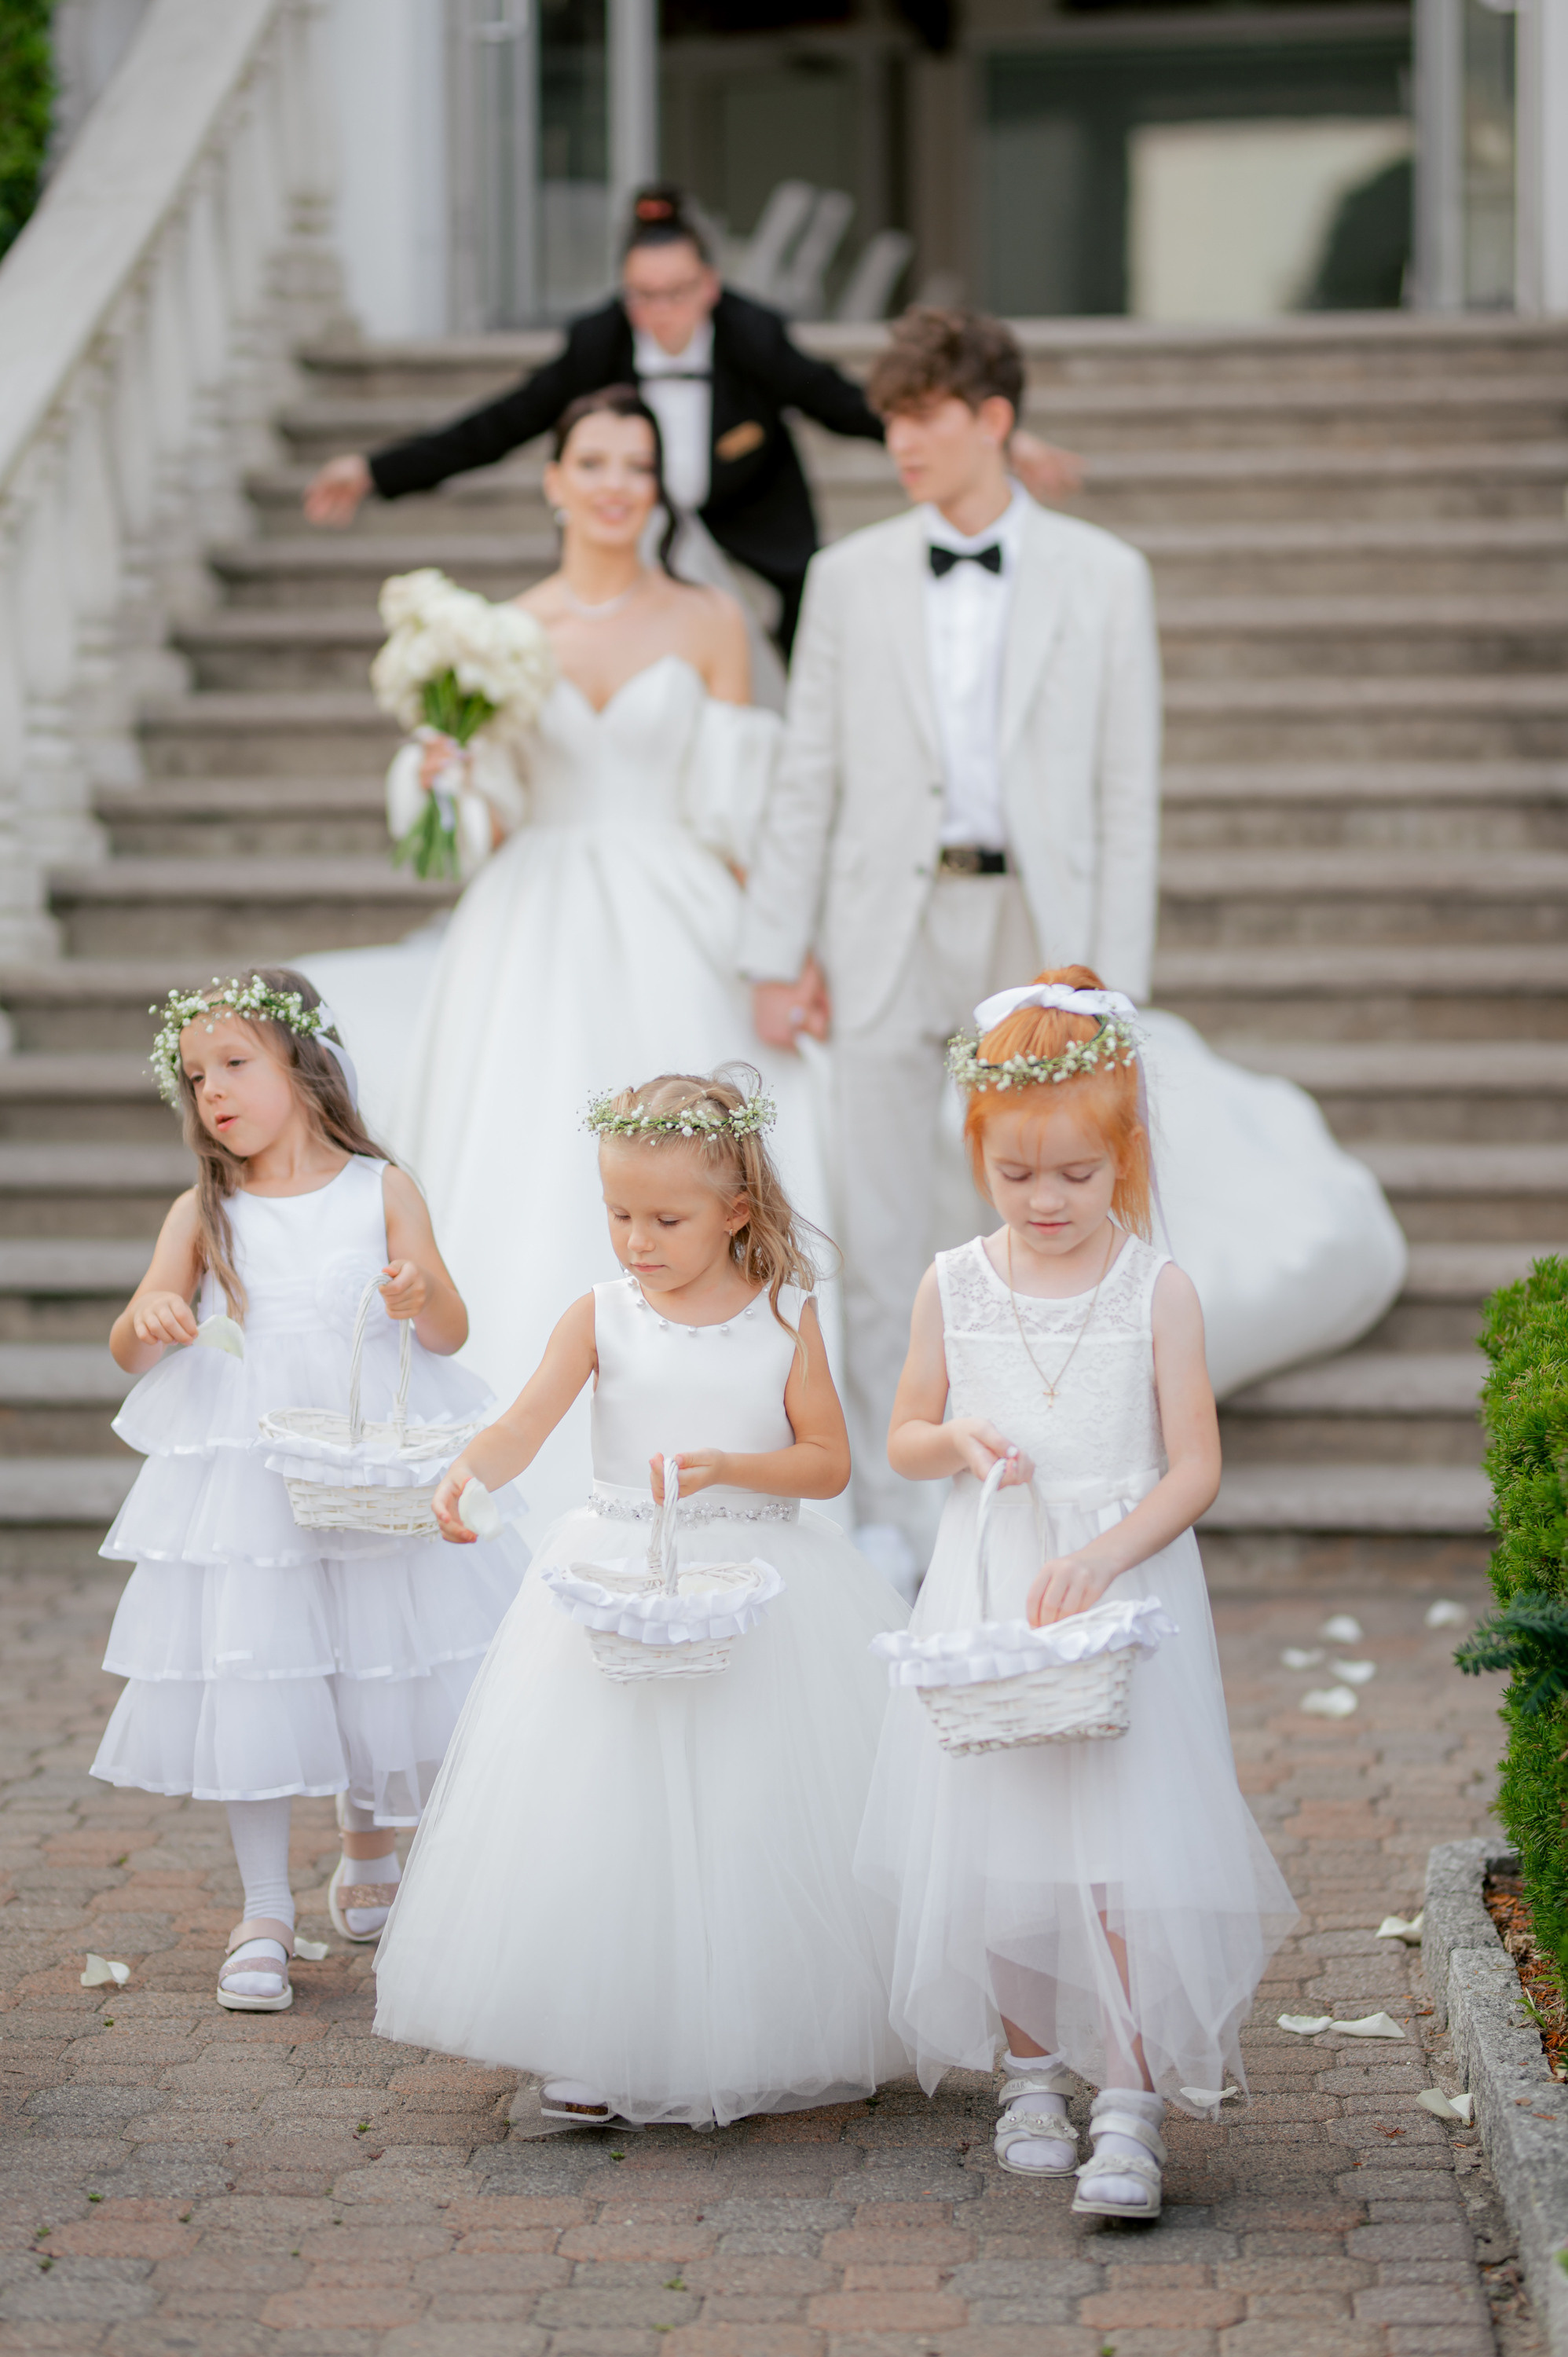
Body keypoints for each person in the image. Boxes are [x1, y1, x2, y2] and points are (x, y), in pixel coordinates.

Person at [739, 306, 1405, 1574]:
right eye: (889, 421)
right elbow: (806, 771)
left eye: (924, 418)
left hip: (1039, 931)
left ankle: (1073, 1485)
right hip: (882, 922)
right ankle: (893, 1508)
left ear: (992, 419)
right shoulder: (848, 577)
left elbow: (1124, 790)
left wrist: (1114, 977)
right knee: (880, 1226)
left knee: (1049, 1208)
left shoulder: (1105, 575)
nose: (901, 445)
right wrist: (778, 948)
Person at [300, 387, 834, 1536]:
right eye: (592, 461)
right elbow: (479, 823)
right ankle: (505, 1460)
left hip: (675, 910)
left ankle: (717, 1433)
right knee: (524, 1155)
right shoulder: (499, 633)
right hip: (529, 922)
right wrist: (443, 775)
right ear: (553, 481)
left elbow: (742, 812)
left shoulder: (708, 619)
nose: (613, 485)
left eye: (635, 467)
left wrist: (784, 953)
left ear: (657, 489)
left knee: (696, 1147)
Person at [372, 1070, 909, 2128]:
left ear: (738, 1211)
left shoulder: (784, 1317)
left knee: (753, 1810)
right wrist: (471, 1470)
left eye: (667, 1218)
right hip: (619, 1581)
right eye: (618, 1214)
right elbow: (526, 1422)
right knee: (606, 1813)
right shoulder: (601, 1316)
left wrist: (732, 1467)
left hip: (758, 1590)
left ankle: (757, 2027)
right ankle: (603, 2038)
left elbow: (828, 1465)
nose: (637, 1240)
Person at [854, 973, 1299, 2216]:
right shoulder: (956, 1281)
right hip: (995, 1575)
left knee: (1119, 1855)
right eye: (1017, 1176)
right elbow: (902, 1433)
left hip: (1118, 1593)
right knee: (1000, 1843)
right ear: (978, 1155)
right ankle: (1031, 2072)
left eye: (1076, 1178)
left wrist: (1109, 1554)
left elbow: (1197, 1463)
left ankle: (1133, 2096)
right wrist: (961, 1442)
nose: (1046, 1203)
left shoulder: (1157, 1288)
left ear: (1124, 1159)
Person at [91, 970, 526, 2013]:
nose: (214, 1093)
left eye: (235, 1065)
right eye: (194, 1077)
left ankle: (371, 1841)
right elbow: (129, 1336)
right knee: (264, 1666)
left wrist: (417, 1295)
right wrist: (152, 1314)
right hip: (247, 1458)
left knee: (376, 1642)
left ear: (303, 1065)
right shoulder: (206, 1210)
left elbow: (450, 1327)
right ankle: (264, 1907)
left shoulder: (380, 1189)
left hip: (363, 1438)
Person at [303, 185, 1079, 676]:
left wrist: (995, 444)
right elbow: (501, 424)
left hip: (750, 538)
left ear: (709, 285)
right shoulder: (597, 343)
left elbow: (842, 402)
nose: (660, 315)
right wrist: (377, 471)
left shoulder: (751, 335)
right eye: (642, 297)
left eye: (676, 294)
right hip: (631, 535)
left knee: (795, 659)